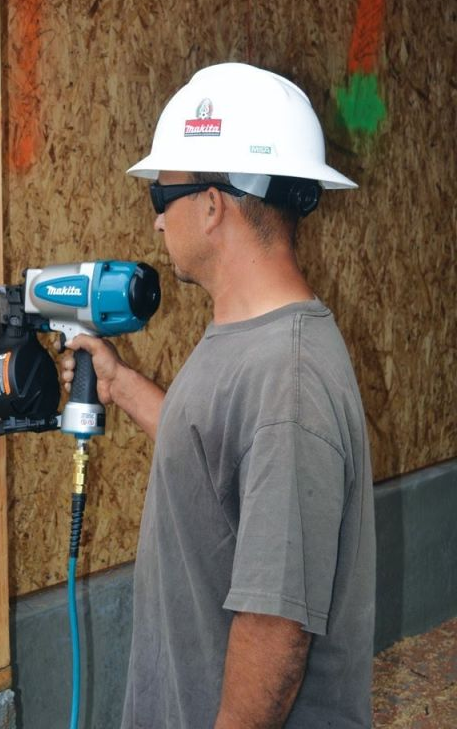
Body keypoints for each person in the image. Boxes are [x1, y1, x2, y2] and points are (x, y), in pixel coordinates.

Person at [61, 62, 375, 729]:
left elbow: (275, 627)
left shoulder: (289, 381)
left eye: (162, 195)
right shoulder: (249, 340)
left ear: (212, 206)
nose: (156, 222)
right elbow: (216, 454)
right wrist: (120, 384)